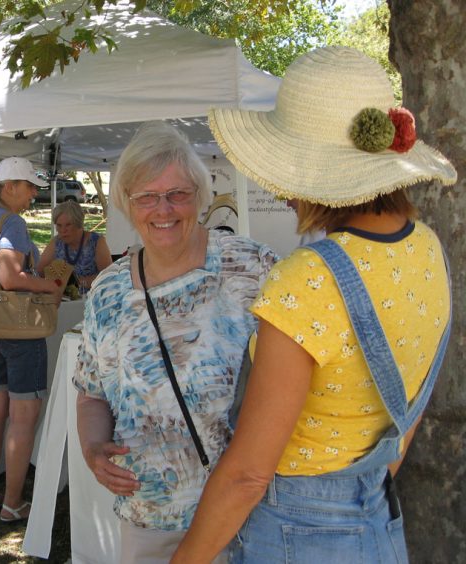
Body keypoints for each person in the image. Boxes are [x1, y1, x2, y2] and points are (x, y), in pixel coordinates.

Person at [172, 46, 457, 563]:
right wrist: (354, 495)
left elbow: (247, 475)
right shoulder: (427, 249)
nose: (282, 191)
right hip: (377, 520)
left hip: (293, 531)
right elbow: (404, 419)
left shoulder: (308, 279)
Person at [74, 121, 278, 563]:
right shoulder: (108, 291)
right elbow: (92, 393)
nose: (162, 209)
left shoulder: (252, 269)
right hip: (149, 514)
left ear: (201, 197)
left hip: (243, 514)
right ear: (128, 205)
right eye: (146, 196)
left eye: (177, 194)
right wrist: (92, 450)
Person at [0, 157, 61, 522]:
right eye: (29, 186)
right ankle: (13, 503)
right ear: (9, 187)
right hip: (19, 329)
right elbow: (10, 276)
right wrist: (46, 284)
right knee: (23, 417)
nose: (34, 193)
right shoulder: (13, 223)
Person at [37, 200, 112, 294]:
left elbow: (108, 276)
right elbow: (39, 272)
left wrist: (78, 282)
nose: (63, 230)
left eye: (68, 225)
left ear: (78, 224)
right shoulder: (56, 243)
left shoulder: (97, 242)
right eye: (59, 226)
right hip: (64, 301)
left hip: (92, 299)